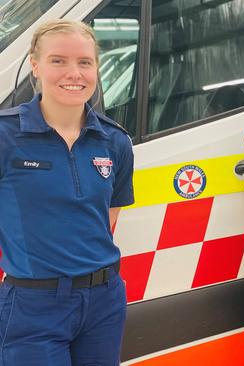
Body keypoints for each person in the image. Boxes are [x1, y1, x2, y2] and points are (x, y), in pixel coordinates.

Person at [0, 19, 134, 365]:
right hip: (34, 305)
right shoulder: (5, 137)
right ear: (35, 65)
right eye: (58, 60)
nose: (73, 73)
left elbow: (106, 221)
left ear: (96, 68)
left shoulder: (115, 141)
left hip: (104, 303)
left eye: (84, 62)